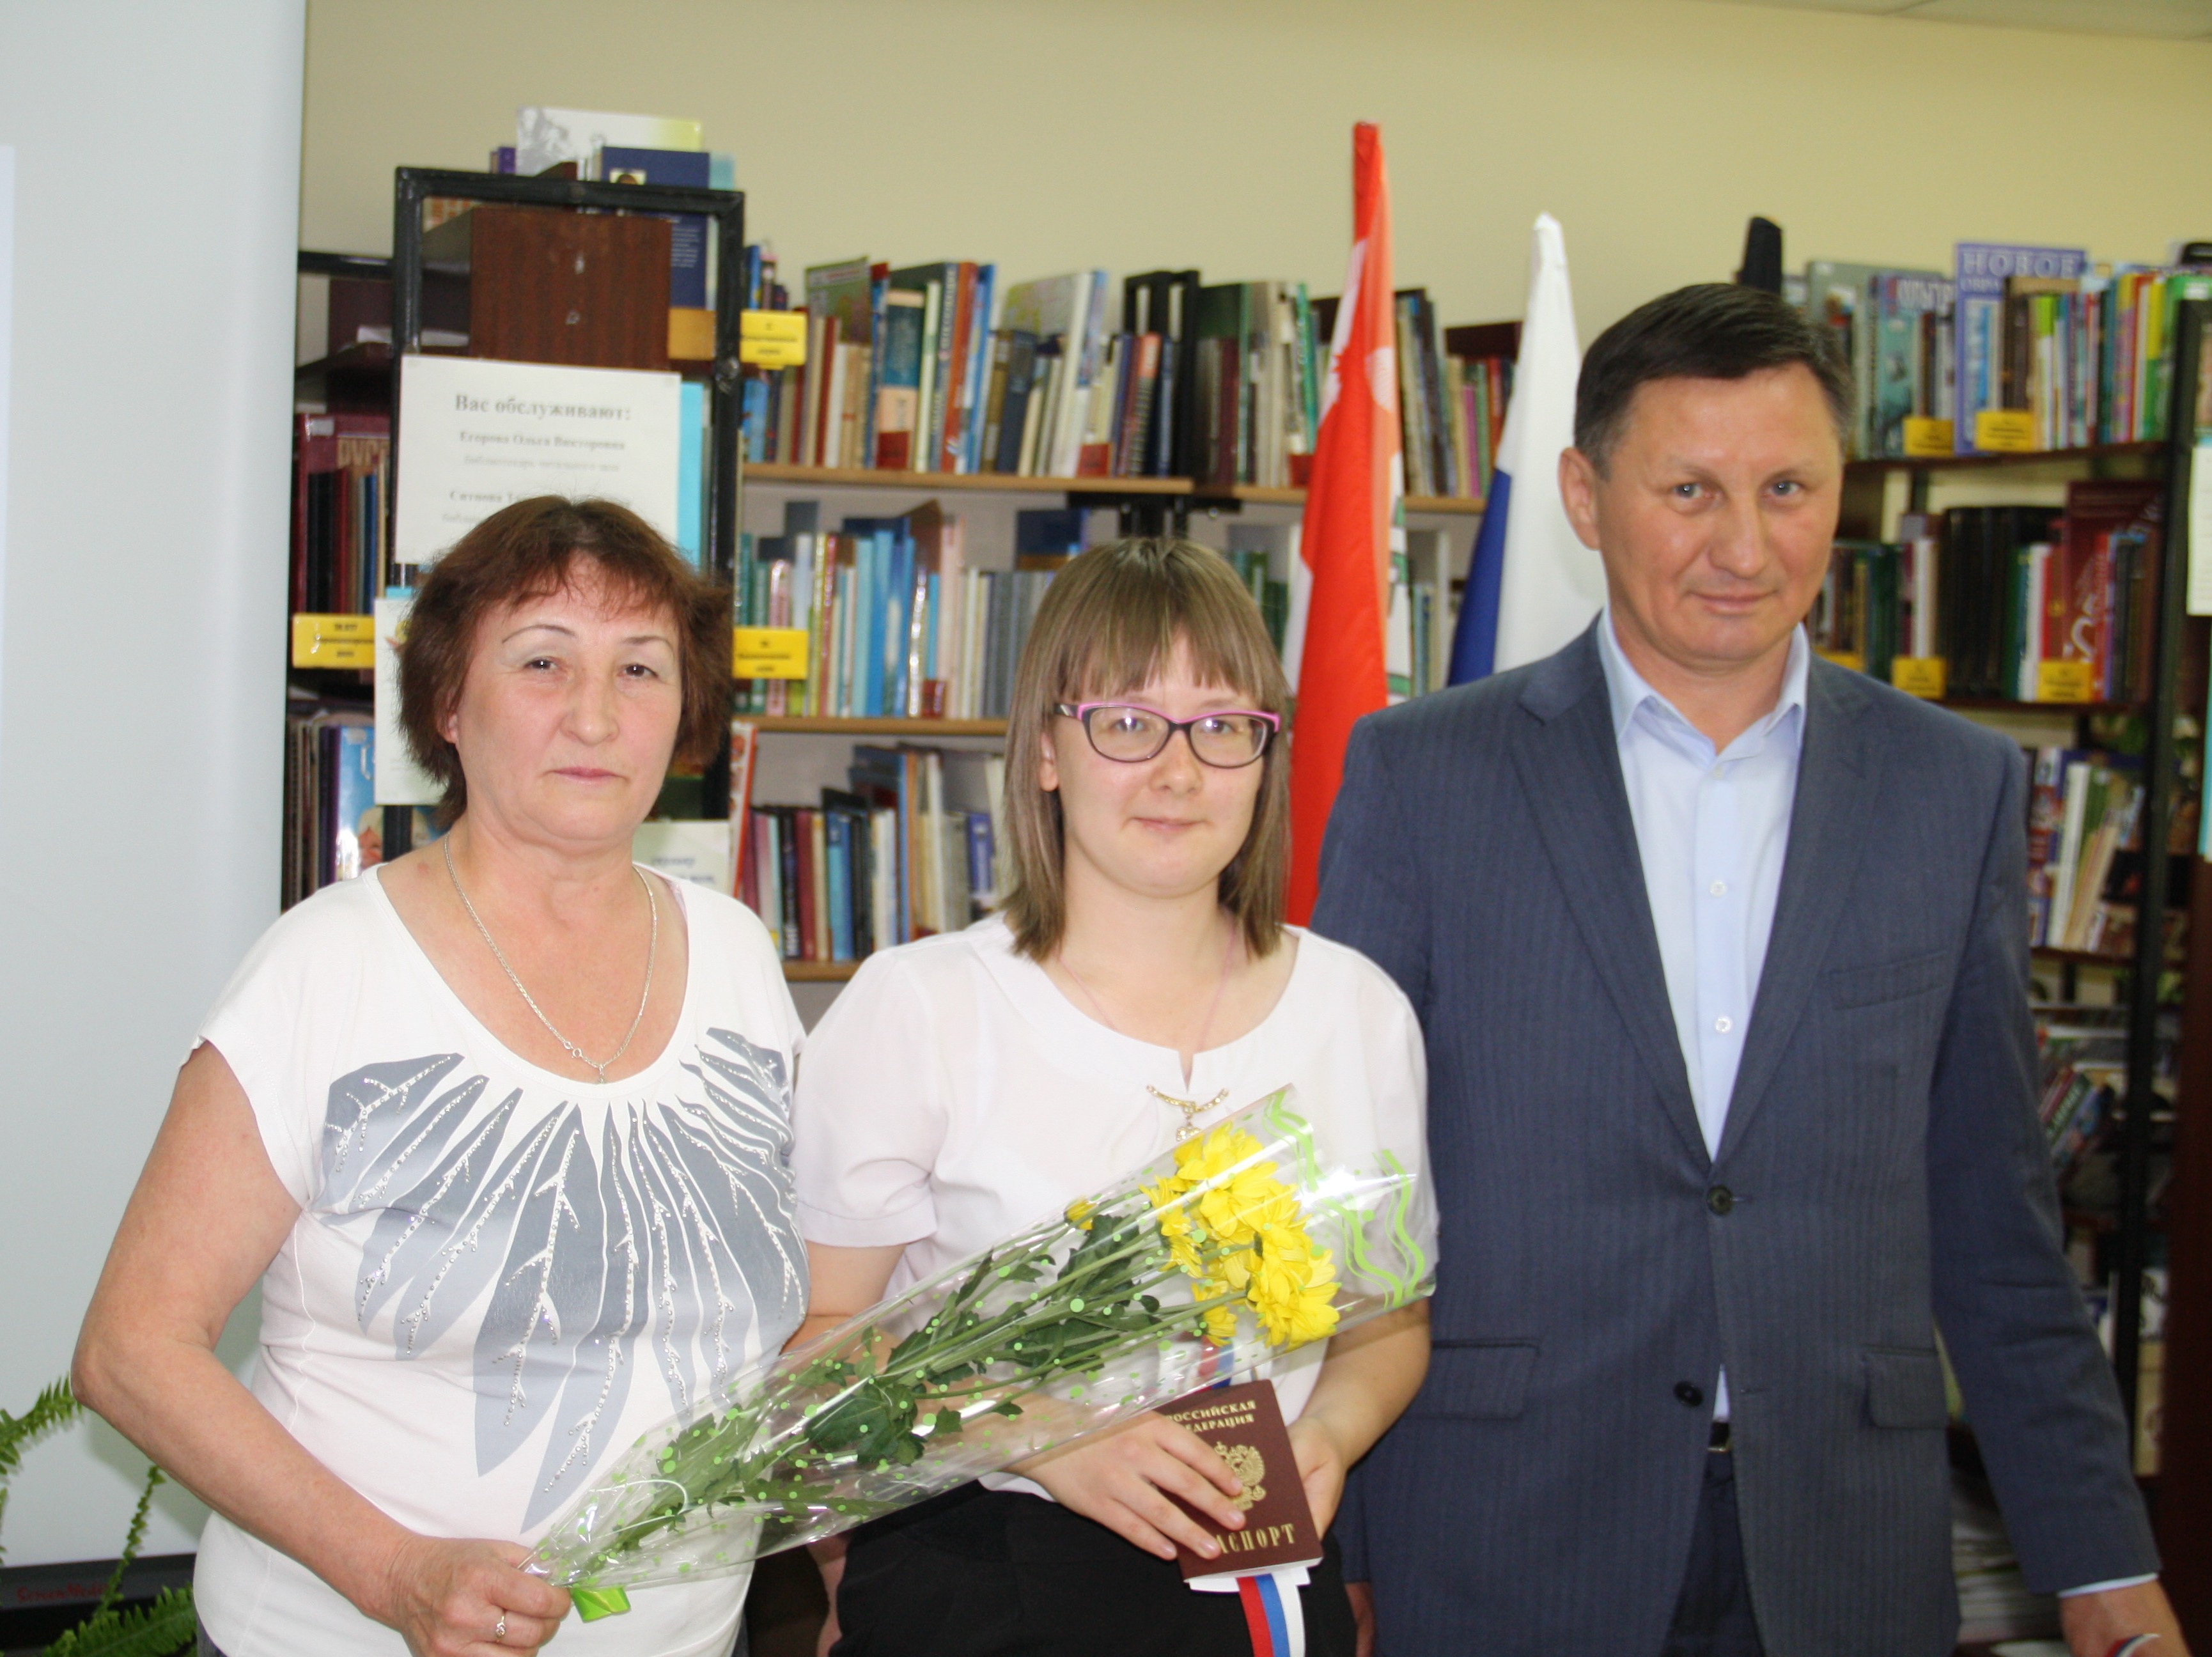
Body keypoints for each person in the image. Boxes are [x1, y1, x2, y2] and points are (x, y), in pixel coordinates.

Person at [1312, 283, 2188, 1657]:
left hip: (1841, 1542)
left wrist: (2096, 1557)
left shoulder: (1948, 787)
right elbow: (1348, 1182)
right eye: (1689, 491)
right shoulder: (1423, 775)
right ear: (1584, 496)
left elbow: (1992, 1208)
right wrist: (1342, 1543)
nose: (1742, 545)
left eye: (1787, 488)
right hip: (1498, 1528)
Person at [73, 497, 808, 1657]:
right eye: (542, 661)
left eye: (640, 668)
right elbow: (132, 1351)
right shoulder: (328, 966)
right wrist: (393, 1573)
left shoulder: (737, 956)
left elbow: (768, 1320)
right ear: (450, 705)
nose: (595, 714)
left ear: (687, 713)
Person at [790, 538, 1433, 1657]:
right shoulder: (924, 1004)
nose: (1178, 773)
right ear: (1047, 750)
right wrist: (1042, 1437)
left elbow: (1389, 1321)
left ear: (1266, 756)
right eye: (1128, 723)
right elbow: (814, 1346)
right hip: (984, 1573)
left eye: (1222, 726)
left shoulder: (1358, 1008)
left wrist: (1330, 1433)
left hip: (1263, 1577)